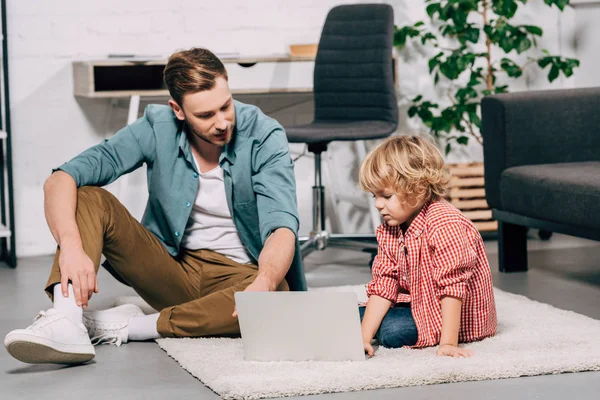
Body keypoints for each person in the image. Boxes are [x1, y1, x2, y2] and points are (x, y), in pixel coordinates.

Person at [4, 47, 306, 365]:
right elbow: (62, 178)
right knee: (89, 196)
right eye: (205, 115)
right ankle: (66, 320)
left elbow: (281, 226)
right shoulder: (156, 127)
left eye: (225, 106)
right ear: (177, 110)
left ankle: (130, 327)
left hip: (238, 276)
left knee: (277, 290)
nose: (221, 123)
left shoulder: (264, 136)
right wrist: (70, 245)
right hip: (171, 268)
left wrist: (265, 281)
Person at [358, 135, 497, 358]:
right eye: (375, 195)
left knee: (392, 331)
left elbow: (452, 289)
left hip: (452, 314)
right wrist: (363, 338)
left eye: (386, 195)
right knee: (354, 316)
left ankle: (386, 324)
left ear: (419, 189)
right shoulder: (391, 227)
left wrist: (449, 343)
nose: (377, 204)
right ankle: (371, 325)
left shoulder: (445, 224)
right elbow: (385, 283)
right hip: (418, 303)